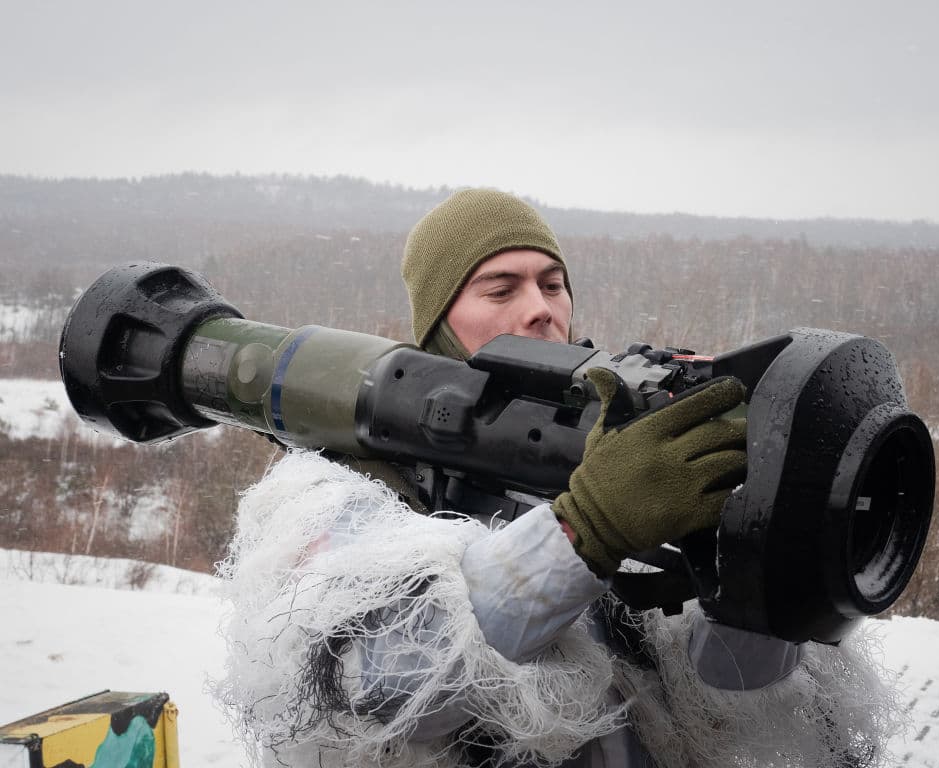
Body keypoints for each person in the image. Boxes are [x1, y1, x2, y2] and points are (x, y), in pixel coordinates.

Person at [215, 190, 901, 768]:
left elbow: (728, 712)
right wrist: (583, 534)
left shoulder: (626, 457)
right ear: (437, 329)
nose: (541, 307)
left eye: (552, 283)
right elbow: (386, 682)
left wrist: (757, 573)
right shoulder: (346, 489)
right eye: (500, 288)